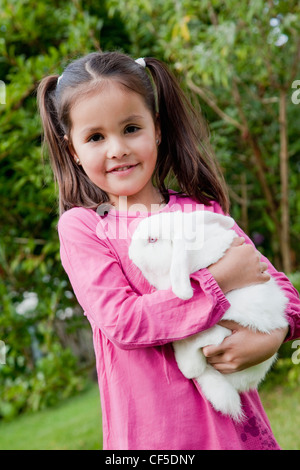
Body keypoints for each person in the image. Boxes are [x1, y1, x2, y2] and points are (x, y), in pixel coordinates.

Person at [37, 51, 300, 450]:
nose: (117, 149)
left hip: (236, 435)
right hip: (155, 437)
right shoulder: (85, 229)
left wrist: (274, 334)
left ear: (156, 129)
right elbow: (125, 323)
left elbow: (285, 293)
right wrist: (218, 283)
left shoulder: (201, 211)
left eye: (130, 128)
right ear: (73, 149)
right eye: (95, 137)